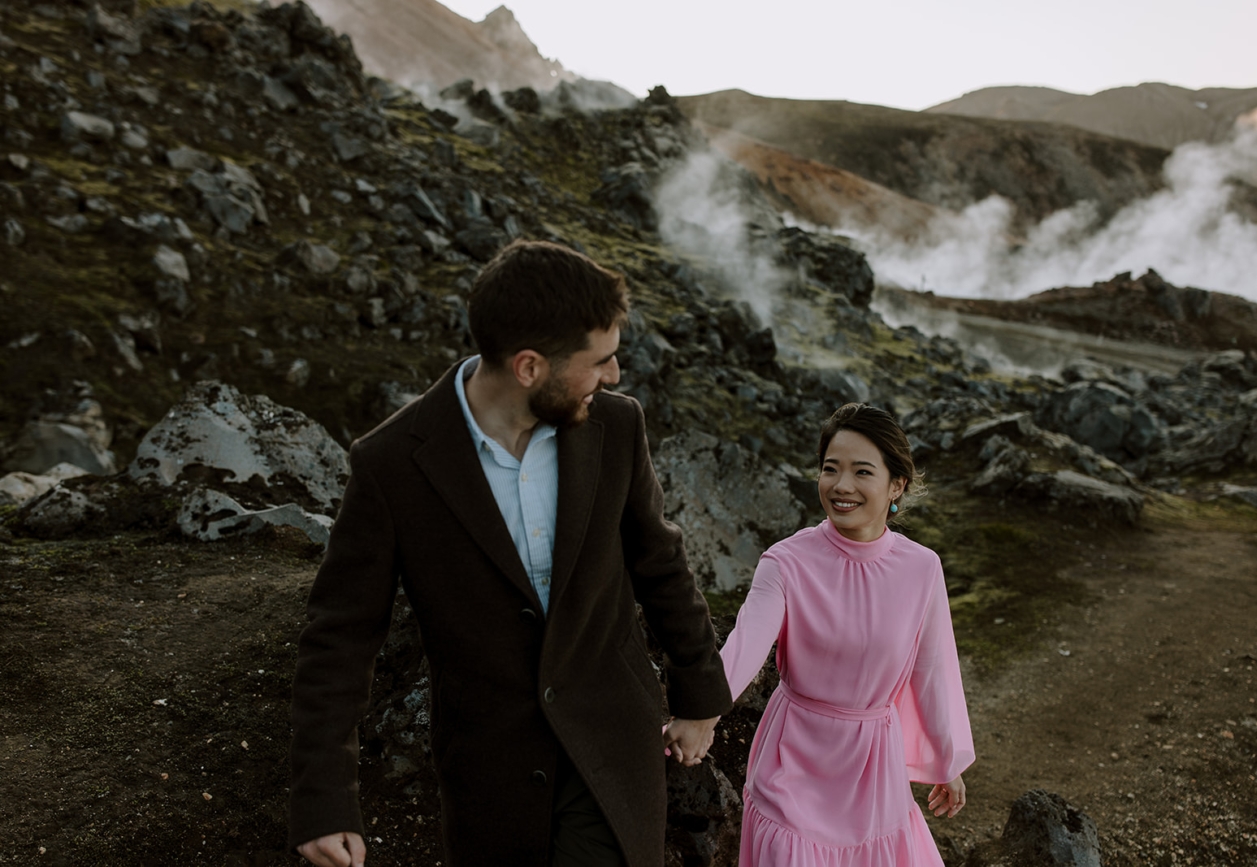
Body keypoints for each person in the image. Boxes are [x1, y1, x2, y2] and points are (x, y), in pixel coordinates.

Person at [288, 239, 732, 867]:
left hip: (612, 752)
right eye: (599, 360)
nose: (613, 376)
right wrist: (324, 800)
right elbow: (340, 636)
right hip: (488, 777)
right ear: (529, 367)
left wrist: (700, 697)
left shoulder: (618, 426)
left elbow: (660, 562)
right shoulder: (391, 465)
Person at [719, 403, 975, 866]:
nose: (841, 486)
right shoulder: (786, 562)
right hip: (792, 761)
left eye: (861, 472)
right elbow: (741, 650)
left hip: (874, 767)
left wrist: (947, 760)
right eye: (830, 469)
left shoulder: (922, 568)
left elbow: (931, 672)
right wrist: (698, 714)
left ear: (896, 485)